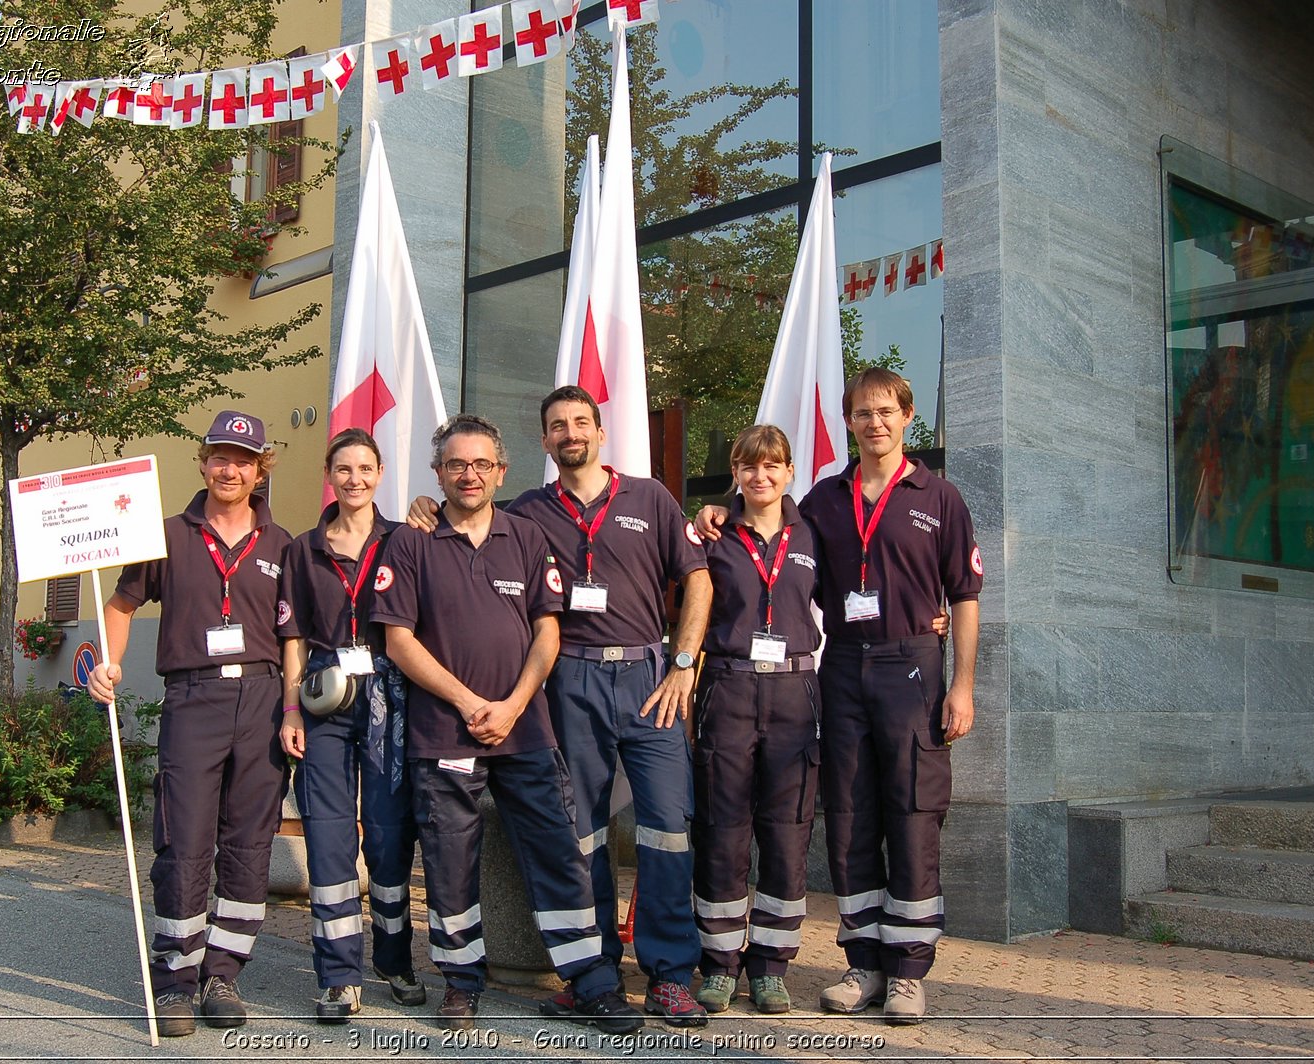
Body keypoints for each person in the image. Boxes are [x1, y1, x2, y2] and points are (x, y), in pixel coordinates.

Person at [407, 386, 711, 1027]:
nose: (570, 433)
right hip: (568, 680)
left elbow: (698, 578)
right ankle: (591, 973)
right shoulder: (528, 513)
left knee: (667, 826)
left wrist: (684, 662)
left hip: (648, 676)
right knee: (583, 833)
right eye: (556, 426)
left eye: (580, 423)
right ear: (543, 443)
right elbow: (466, 518)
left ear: (600, 432)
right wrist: (425, 509)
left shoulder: (651, 497)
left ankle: (670, 976)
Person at [695, 368, 982, 1024]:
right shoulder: (824, 499)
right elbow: (766, 527)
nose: (874, 422)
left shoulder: (939, 498)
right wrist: (717, 510)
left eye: (886, 412)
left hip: (911, 665)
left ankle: (908, 971)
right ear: (849, 422)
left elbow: (964, 599)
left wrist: (962, 684)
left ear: (908, 417)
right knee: (849, 814)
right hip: (842, 665)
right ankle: (863, 964)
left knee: (911, 812)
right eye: (862, 413)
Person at [370, 414, 642, 1035]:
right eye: (456, 465)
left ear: (502, 471)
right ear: (438, 473)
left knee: (556, 851)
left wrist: (515, 703)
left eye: (481, 464)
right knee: (449, 860)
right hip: (443, 732)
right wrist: (470, 704)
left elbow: (548, 629)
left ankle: (593, 983)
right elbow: (399, 641)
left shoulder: (525, 535)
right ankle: (461, 983)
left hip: (525, 729)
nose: (469, 475)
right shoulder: (410, 542)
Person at [87, 410, 294, 1039]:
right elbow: (120, 603)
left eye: (243, 459)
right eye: (219, 456)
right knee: (183, 839)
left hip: (261, 700)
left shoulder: (284, 546)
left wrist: (289, 707)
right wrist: (109, 662)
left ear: (260, 471)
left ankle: (224, 972)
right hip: (193, 697)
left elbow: (293, 638)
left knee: (250, 841)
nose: (230, 469)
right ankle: (177, 975)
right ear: (203, 462)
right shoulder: (166, 535)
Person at [278, 428, 423, 1023]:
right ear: (329, 475)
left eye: (365, 468)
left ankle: (393, 959)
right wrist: (290, 708)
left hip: (389, 692)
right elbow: (291, 635)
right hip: (324, 692)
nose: (355, 479)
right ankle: (338, 974)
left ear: (380, 473)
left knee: (389, 835)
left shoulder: (406, 540)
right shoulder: (302, 548)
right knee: (330, 833)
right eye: (344, 469)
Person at [690, 425, 824, 1015]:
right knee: (723, 829)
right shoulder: (712, 536)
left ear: (789, 471)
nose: (760, 477)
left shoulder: (814, 534)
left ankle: (770, 967)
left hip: (796, 692)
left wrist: (935, 621)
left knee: (788, 830)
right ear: (736, 474)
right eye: (748, 467)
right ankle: (719, 964)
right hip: (730, 687)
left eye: (772, 467)